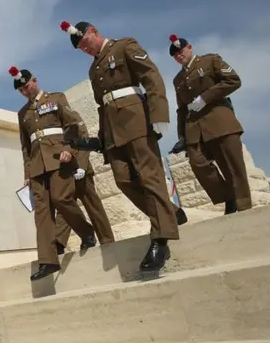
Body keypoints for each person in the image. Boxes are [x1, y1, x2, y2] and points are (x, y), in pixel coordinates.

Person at [59, 20, 187, 271]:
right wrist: (102, 139)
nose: (85, 49)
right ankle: (169, 211)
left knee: (151, 179)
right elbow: (103, 105)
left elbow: (150, 75)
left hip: (137, 120)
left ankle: (160, 239)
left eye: (85, 43)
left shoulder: (124, 46)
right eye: (81, 49)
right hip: (113, 133)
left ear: (94, 32)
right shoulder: (93, 70)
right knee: (124, 180)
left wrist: (159, 113)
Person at [10, 66, 98, 281]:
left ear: (35, 80)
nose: (25, 90)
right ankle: (48, 261)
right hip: (37, 167)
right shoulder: (23, 114)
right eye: (20, 89)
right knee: (41, 215)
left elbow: (73, 125)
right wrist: (28, 172)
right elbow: (25, 146)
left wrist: (69, 149)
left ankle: (86, 232)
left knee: (62, 199)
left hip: (59, 160)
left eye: (26, 85)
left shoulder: (56, 99)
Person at [167, 33, 251, 214]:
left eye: (181, 51)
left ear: (189, 47)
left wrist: (205, 98)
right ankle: (228, 197)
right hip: (195, 128)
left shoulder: (210, 61)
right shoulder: (177, 80)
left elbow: (233, 80)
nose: (179, 56)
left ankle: (243, 206)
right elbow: (181, 109)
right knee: (198, 164)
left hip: (220, 120)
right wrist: (181, 136)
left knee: (233, 165)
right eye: (175, 55)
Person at [54, 121, 115, 253]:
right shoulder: (51, 124)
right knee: (65, 208)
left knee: (93, 206)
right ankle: (59, 242)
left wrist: (81, 167)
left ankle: (107, 240)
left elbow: (84, 143)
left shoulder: (72, 119)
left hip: (81, 171)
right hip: (64, 173)